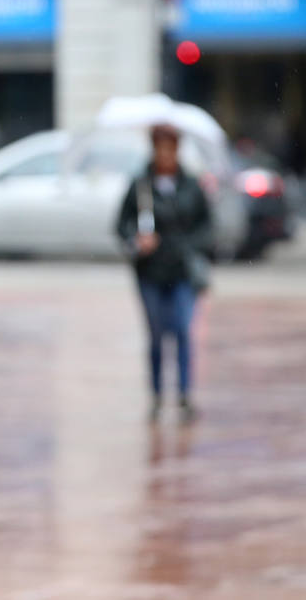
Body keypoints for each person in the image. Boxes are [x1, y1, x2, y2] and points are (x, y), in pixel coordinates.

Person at [115, 124, 213, 423]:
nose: (166, 154)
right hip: (150, 272)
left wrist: (186, 245)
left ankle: (184, 395)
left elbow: (207, 227)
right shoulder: (140, 185)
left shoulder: (191, 185)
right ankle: (157, 395)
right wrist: (137, 239)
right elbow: (121, 225)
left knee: (183, 330)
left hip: (182, 271)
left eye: (170, 148)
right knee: (157, 335)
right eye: (160, 148)